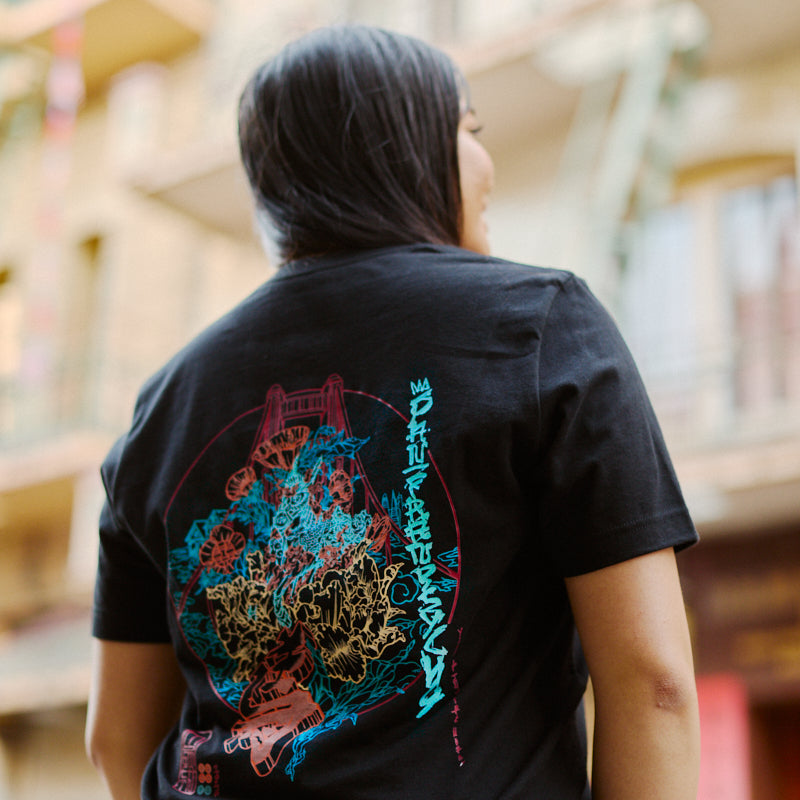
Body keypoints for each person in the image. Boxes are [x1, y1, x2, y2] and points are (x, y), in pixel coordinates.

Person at [86, 24, 700, 800]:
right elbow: (654, 686)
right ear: (413, 150)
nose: (488, 163)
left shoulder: (165, 403)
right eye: (470, 131)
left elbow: (116, 741)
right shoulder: (540, 326)